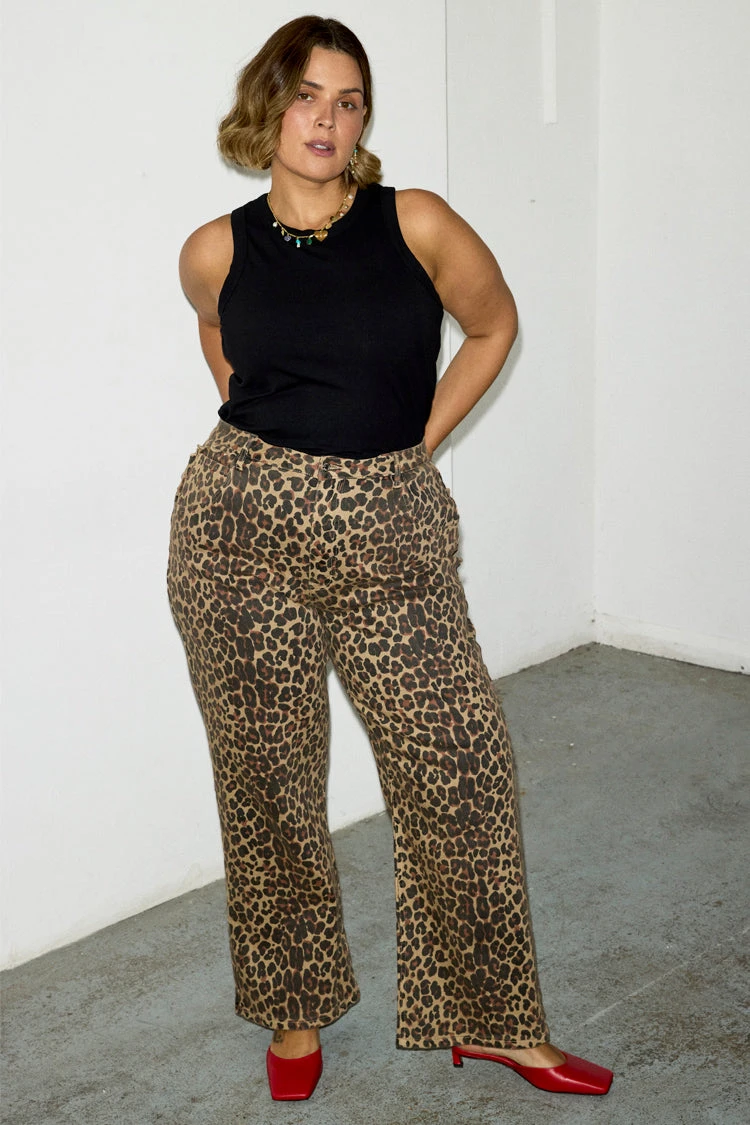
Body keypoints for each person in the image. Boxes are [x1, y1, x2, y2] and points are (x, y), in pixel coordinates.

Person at [168, 15, 613, 1104]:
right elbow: (220, 337)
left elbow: (494, 326)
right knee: (268, 782)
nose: (327, 119)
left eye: (349, 100)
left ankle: (494, 1020)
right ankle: (294, 1011)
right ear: (269, 107)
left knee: (460, 766)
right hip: (235, 537)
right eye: (307, 96)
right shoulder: (215, 249)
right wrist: (270, 432)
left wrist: (413, 444)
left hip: (391, 529)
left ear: (365, 119)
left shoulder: (414, 221)